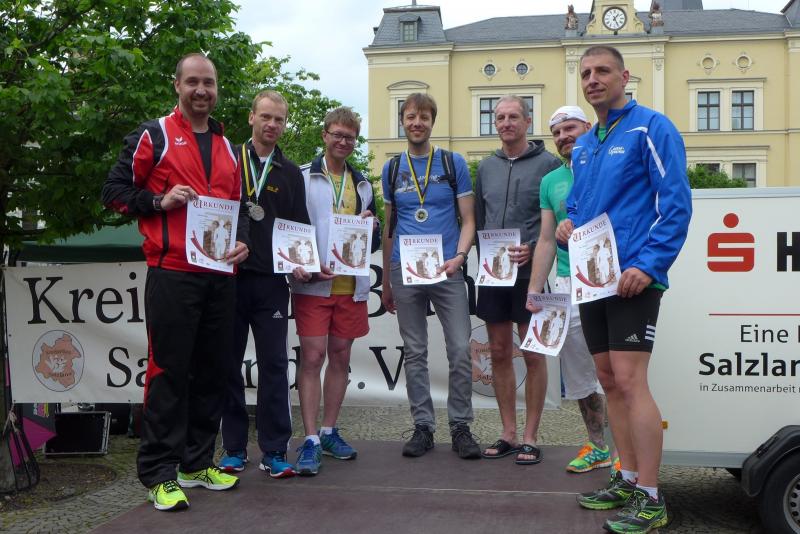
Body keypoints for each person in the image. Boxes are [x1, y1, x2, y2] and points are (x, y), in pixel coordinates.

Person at [102, 53, 249, 511]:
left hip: (220, 276)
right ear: (177, 86)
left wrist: (242, 241)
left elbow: (239, 209)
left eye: (209, 83)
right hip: (173, 274)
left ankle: (196, 463)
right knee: (168, 374)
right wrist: (157, 201)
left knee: (213, 372)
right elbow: (113, 192)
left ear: (216, 89)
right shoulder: (156, 135)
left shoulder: (228, 148)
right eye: (193, 82)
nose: (201, 91)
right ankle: (159, 473)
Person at [555, 46, 692, 533]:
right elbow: (579, 205)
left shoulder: (652, 127)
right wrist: (568, 226)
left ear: (624, 76)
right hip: (593, 279)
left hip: (634, 278)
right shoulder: (585, 144)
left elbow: (676, 204)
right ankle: (627, 477)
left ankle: (651, 498)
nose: (593, 79)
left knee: (632, 382)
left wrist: (649, 265)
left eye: (602, 71)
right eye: (586, 73)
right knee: (608, 380)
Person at [381, 93, 481, 459]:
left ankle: (460, 426)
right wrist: (387, 281)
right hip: (405, 270)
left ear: (432, 122)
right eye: (410, 116)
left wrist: (460, 257)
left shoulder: (453, 163)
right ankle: (423, 426)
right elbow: (389, 227)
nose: (417, 123)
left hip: (446, 268)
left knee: (460, 349)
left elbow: (468, 220)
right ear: (402, 121)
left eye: (423, 117)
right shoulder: (392, 169)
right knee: (415, 351)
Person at [217, 90, 310, 479]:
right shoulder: (227, 159)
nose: (273, 125)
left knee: (274, 364)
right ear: (251, 117)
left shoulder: (290, 172)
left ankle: (274, 450)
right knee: (228, 364)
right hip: (230, 278)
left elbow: (299, 226)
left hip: (272, 282)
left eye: (279, 120)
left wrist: (301, 262)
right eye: (266, 117)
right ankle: (234, 448)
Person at [290, 106, 380, 476]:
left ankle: (329, 431)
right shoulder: (302, 177)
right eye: (337, 134)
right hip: (314, 284)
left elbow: (373, 240)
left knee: (340, 357)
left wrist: (371, 226)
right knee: (313, 358)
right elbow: (289, 227)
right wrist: (300, 263)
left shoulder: (363, 184)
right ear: (324, 135)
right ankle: (310, 438)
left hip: (350, 285)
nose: (343, 141)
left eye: (350, 137)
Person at [474, 95, 561, 464]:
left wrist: (532, 247)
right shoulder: (485, 167)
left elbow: (555, 220)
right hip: (494, 273)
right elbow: (479, 219)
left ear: (528, 122)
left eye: (513, 117)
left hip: (531, 274)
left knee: (533, 354)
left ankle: (530, 436)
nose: (506, 123)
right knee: (498, 352)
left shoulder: (549, 164)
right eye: (500, 117)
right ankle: (508, 432)